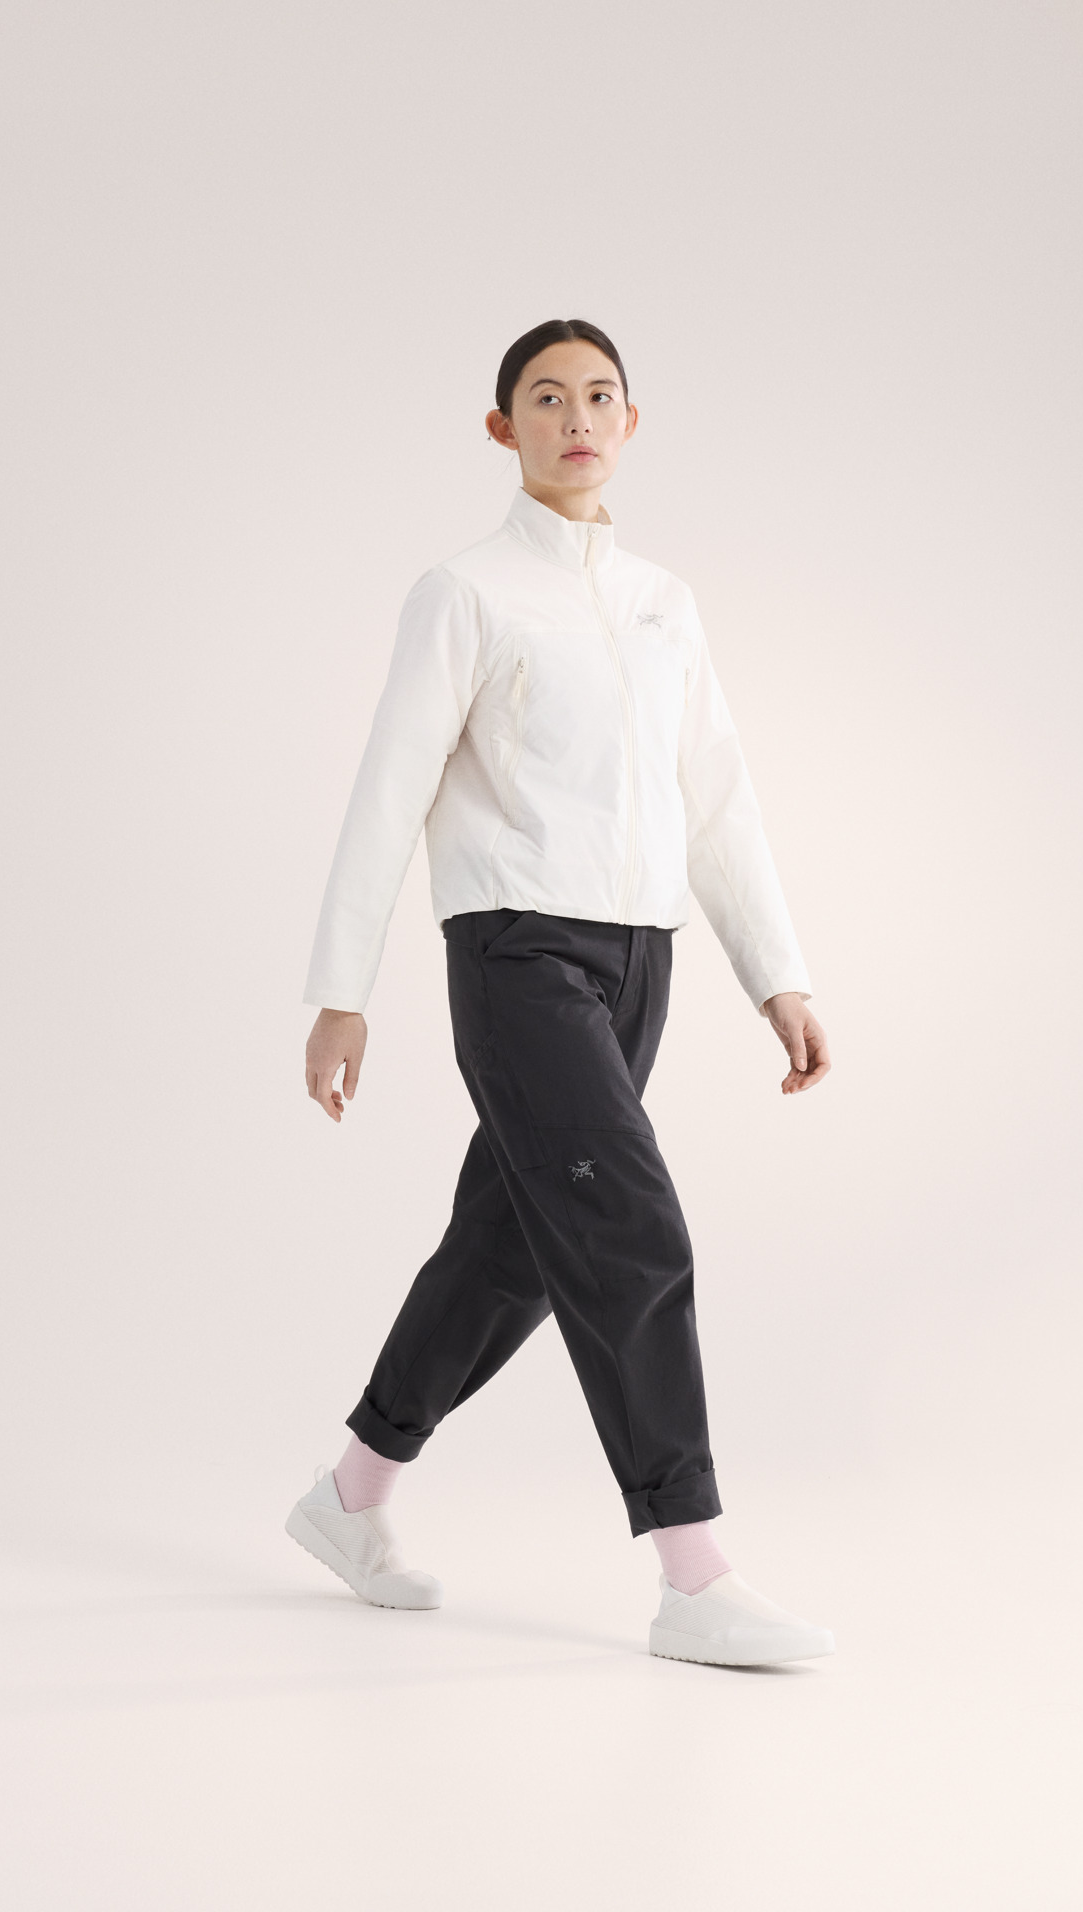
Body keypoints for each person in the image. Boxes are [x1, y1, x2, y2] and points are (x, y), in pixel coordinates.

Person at [284, 319, 834, 1666]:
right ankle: (693, 1573)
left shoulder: (664, 602)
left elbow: (717, 798)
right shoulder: (464, 593)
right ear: (503, 429)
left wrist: (778, 975)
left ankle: (351, 1495)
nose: (576, 418)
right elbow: (391, 785)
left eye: (599, 396)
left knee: (510, 1247)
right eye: (545, 397)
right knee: (632, 1232)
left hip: (643, 961)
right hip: (518, 954)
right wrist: (343, 988)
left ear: (631, 423)